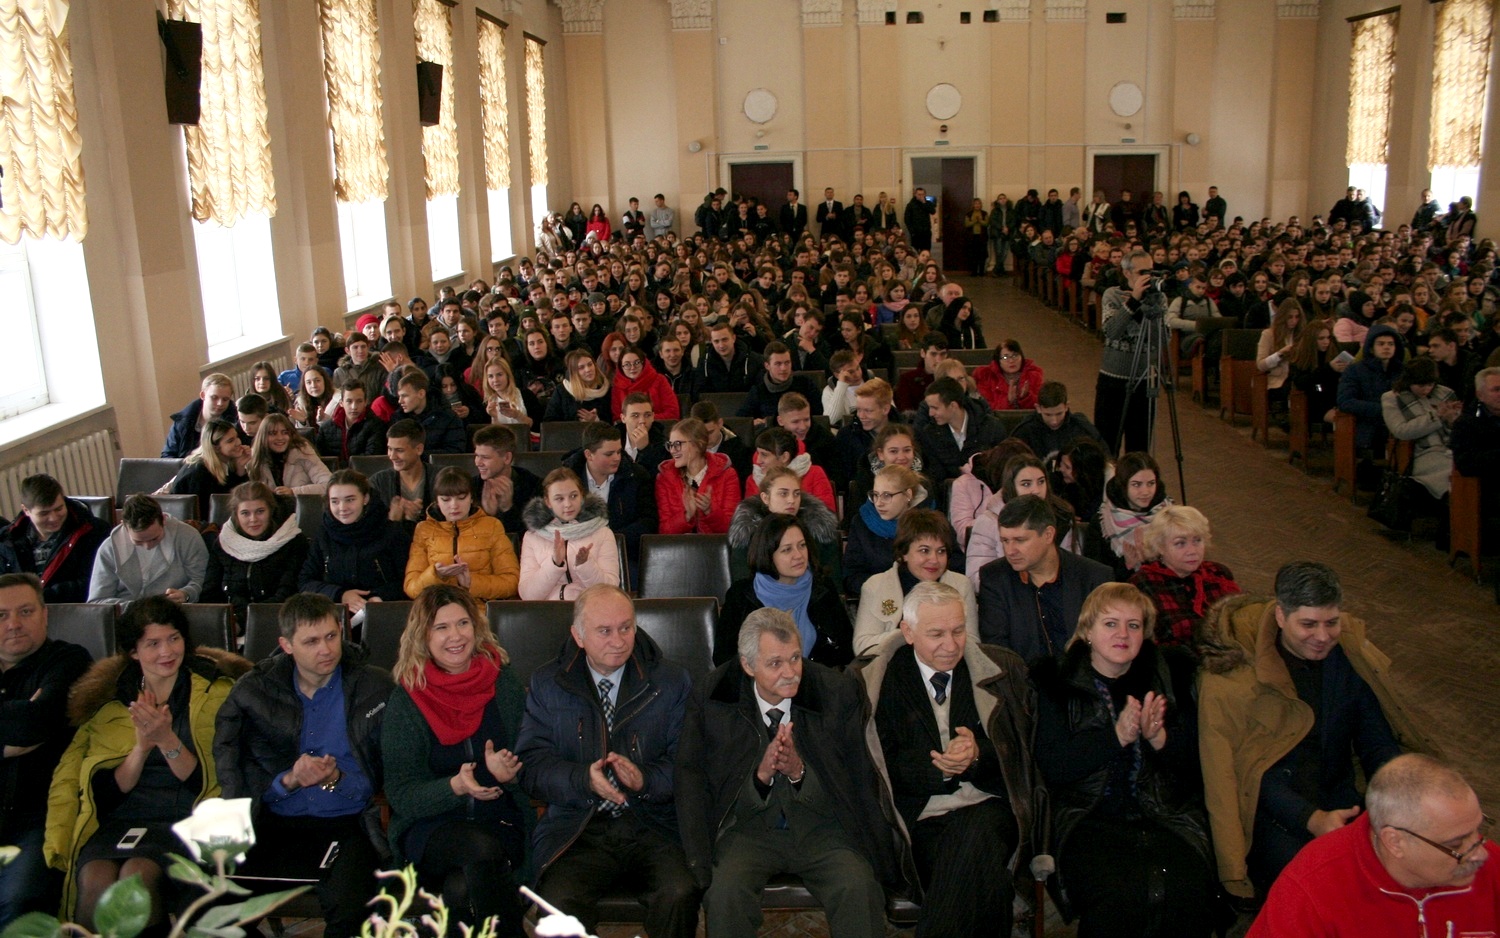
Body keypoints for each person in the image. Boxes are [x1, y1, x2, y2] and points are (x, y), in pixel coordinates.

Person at [1196, 562, 1413, 900]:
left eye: (1332, 622)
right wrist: (1310, 818)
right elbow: (1242, 773)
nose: (1323, 637)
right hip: (1271, 812)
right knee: (1317, 892)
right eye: (1308, 624)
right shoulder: (1230, 679)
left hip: (1338, 796)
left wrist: (1397, 797)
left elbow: (1376, 738)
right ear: (1281, 616)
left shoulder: (1348, 659)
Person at [677, 608, 896, 938]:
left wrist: (799, 772)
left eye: (795, 658)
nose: (791, 672)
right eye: (775, 663)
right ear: (748, 665)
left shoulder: (836, 691)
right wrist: (760, 777)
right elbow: (693, 779)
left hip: (823, 828)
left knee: (858, 888)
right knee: (724, 894)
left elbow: (857, 779)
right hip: (746, 831)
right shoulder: (713, 695)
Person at [44, 596, 250, 928]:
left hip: (187, 816)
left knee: (135, 876)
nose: (166, 652)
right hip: (123, 818)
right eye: (152, 643)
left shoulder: (217, 695)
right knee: (96, 878)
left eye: (174, 638)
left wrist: (167, 739)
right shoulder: (107, 703)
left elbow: (211, 782)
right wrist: (140, 748)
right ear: (133, 652)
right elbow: (104, 793)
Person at [1030, 582, 1217, 938]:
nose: (1123, 634)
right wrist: (1115, 737)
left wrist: (1159, 738)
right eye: (1110, 623)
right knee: (1120, 897)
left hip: (1165, 812)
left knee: (1187, 891)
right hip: (1088, 816)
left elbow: (1200, 765)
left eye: (1134, 625)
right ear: (1087, 631)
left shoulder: (1170, 674)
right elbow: (1054, 767)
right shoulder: (1055, 681)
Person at [515, 585, 700, 938]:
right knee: (559, 903)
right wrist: (581, 778)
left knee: (679, 892)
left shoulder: (671, 682)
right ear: (578, 636)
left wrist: (645, 780)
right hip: (578, 827)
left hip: (653, 823)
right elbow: (532, 766)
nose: (619, 640)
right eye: (604, 631)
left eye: (626, 627)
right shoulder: (548, 683)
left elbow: (688, 764)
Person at [858, 580, 1040, 938]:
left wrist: (977, 755)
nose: (951, 644)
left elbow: (1022, 750)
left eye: (959, 630)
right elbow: (882, 765)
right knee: (982, 874)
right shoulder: (880, 681)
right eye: (937, 633)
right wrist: (938, 769)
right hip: (925, 814)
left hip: (990, 803)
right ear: (907, 632)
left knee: (978, 832)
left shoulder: (997, 671)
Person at [212, 593, 393, 938]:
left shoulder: (374, 686)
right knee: (211, 910)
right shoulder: (255, 691)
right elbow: (233, 765)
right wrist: (288, 780)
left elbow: (388, 771)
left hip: (349, 823)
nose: (325, 649)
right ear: (286, 644)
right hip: (275, 822)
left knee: (351, 910)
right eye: (311, 641)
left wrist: (336, 778)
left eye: (331, 636)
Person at [382, 584, 533, 937]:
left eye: (463, 624)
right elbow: (401, 794)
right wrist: (454, 787)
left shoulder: (504, 684)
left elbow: (532, 760)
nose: (456, 636)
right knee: (478, 851)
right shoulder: (407, 698)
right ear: (423, 636)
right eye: (441, 627)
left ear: (477, 628)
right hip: (431, 829)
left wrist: (509, 773)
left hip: (499, 821)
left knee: (461, 890)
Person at [1247, 754, 1498, 938]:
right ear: (1395, 842)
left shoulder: (1493, 869)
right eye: (1456, 844)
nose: (1481, 853)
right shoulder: (1310, 890)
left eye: (1478, 830)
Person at [0, 573, 92, 926]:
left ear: (45, 614)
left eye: (25, 611)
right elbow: (24, 724)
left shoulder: (68, 661)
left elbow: (32, 725)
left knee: (20, 906)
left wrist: (27, 720)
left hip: (39, 815)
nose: (14, 624)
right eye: (2, 615)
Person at [977, 495, 1112, 663]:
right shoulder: (995, 578)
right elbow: (997, 651)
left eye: (1020, 540)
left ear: (1048, 535)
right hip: (1022, 683)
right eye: (1005, 540)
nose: (1010, 551)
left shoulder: (1094, 577)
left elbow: (1106, 645)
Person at [718, 513, 852, 668]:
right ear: (768, 554)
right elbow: (724, 659)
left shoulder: (822, 588)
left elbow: (846, 650)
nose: (798, 555)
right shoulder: (740, 595)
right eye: (787, 550)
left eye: (802, 545)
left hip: (816, 685)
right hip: (759, 688)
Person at [853, 509, 978, 656]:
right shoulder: (876, 586)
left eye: (941, 551)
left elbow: (973, 644)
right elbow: (862, 647)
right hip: (892, 670)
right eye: (925, 551)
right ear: (904, 553)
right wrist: (909, 635)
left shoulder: (961, 585)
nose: (934, 560)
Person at [298, 470, 411, 622]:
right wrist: (340, 594)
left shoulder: (392, 533)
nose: (342, 508)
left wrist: (379, 597)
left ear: (365, 498)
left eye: (350, 500)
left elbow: (409, 580)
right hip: (333, 617)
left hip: (383, 616)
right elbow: (306, 582)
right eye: (335, 501)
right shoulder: (323, 534)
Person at [1129, 505, 1240, 648]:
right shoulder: (1143, 583)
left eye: (1197, 541)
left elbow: (1240, 622)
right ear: (1160, 547)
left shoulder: (1217, 573)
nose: (1192, 551)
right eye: (1180, 543)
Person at [202, 482, 308, 628]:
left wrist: (241, 620)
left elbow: (287, 594)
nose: (253, 519)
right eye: (245, 513)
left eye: (260, 511)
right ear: (236, 514)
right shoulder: (223, 543)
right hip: (230, 624)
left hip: (276, 622)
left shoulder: (294, 542)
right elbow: (210, 593)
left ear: (271, 510)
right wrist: (225, 623)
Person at [405, 467, 519, 601]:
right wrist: (435, 575)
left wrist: (472, 582)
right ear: (437, 501)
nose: (454, 506)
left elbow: (512, 582)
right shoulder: (424, 530)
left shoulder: (491, 526)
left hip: (478, 610)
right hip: (437, 610)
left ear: (471, 498)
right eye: (446, 500)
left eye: (461, 498)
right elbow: (411, 588)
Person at [1096, 249, 1169, 455]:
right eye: (1142, 272)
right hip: (1113, 379)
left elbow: (1162, 339)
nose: (1149, 277)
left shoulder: (1158, 297)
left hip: (1144, 380)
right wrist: (1134, 300)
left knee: (1139, 447)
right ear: (1127, 273)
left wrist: (1152, 306)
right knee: (1107, 444)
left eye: (1152, 271)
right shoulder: (1113, 294)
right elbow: (1111, 331)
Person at [0, 474, 108, 604]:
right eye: (44, 513)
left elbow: (93, 583)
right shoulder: (7, 540)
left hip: (71, 611)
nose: (54, 518)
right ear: (26, 510)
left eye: (59, 509)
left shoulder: (92, 531)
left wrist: (38, 597)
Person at [518, 468, 620, 600]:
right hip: (548, 613)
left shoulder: (603, 533)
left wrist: (585, 564)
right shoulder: (532, 537)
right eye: (559, 499)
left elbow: (610, 590)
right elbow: (528, 595)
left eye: (573, 496)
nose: (568, 504)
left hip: (591, 611)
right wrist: (555, 564)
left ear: (582, 496)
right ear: (548, 502)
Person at [88, 495, 209, 604]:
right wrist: (137, 608)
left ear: (164, 520)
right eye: (138, 541)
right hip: (127, 615)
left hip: (174, 611)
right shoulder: (110, 548)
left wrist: (186, 594)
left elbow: (202, 580)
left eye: (154, 539)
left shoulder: (187, 536)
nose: (147, 546)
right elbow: (97, 601)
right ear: (124, 526)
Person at [1382, 356, 1461, 502]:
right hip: (1421, 452)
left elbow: (1461, 429)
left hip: (1451, 447)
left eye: (1430, 385)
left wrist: (1452, 421)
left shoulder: (1445, 393)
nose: (1426, 389)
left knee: (1468, 469)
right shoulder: (1392, 398)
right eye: (1421, 385)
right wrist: (1436, 416)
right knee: (1451, 473)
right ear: (1409, 381)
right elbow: (1400, 431)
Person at [844, 464, 928, 595]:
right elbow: (851, 575)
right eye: (875, 495)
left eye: (887, 495)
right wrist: (882, 586)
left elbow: (952, 565)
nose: (878, 503)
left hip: (925, 598)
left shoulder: (929, 523)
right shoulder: (862, 522)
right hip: (878, 599)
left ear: (908, 494)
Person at [1337, 324, 1407, 477]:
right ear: (1371, 347)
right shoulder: (1355, 370)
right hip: (1368, 423)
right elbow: (1345, 401)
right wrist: (1382, 409)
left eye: (1390, 344)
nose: (1386, 348)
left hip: (1399, 423)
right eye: (1381, 344)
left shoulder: (1403, 371)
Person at [920, 377, 1010, 486]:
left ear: (953, 405)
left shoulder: (991, 427)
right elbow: (935, 477)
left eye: (935, 408)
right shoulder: (930, 434)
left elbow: (1003, 468)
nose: (930, 413)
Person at [656, 417, 740, 535]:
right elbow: (664, 531)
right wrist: (687, 515)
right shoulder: (665, 478)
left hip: (715, 549)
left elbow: (733, 530)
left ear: (698, 444)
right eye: (670, 445)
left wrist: (710, 511)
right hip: (679, 550)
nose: (672, 450)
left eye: (678, 444)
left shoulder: (727, 475)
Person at [1099, 451, 1171, 574]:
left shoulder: (1169, 514)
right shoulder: (1103, 522)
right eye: (1136, 484)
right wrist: (1127, 565)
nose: (1145, 492)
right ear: (1123, 485)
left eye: (1151, 483)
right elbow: (1098, 576)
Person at [166, 418, 250, 520]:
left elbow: (239, 498)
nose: (238, 442)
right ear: (215, 448)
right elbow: (209, 512)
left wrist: (240, 470)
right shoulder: (199, 472)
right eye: (230, 441)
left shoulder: (225, 463)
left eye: (237, 437)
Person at [1009, 381, 1105, 467]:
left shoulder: (1082, 429)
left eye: (1059, 414)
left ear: (1067, 406)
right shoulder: (1024, 431)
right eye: (1048, 414)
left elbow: (1104, 459)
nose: (1054, 421)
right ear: (1038, 408)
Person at [471, 424, 544, 536]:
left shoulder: (534, 487)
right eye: (477, 456)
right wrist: (486, 515)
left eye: (485, 457)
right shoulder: (471, 487)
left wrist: (508, 510)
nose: (478, 462)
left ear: (507, 458)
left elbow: (531, 536)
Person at [744, 427, 836, 514]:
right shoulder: (753, 479)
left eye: (764, 455)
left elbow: (825, 514)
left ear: (784, 457)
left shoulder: (815, 473)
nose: (758, 460)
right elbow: (750, 517)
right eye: (758, 453)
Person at [370, 420, 434, 538]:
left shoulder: (440, 478)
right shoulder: (379, 482)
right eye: (390, 449)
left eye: (399, 450)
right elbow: (371, 528)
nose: (392, 456)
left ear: (419, 449)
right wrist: (393, 518)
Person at [247, 413, 332, 497]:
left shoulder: (302, 451)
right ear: (263, 437)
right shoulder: (255, 458)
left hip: (301, 508)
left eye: (285, 433)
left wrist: (293, 492)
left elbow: (329, 485)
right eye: (273, 433)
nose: (280, 438)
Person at [162, 374, 238, 458]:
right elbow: (167, 456)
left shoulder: (236, 421)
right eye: (214, 397)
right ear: (203, 395)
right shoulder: (183, 422)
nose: (220, 403)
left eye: (225, 399)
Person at [395, 370, 468, 455]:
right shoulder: (398, 418)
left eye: (405, 396)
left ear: (421, 394)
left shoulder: (448, 417)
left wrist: (416, 455)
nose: (400, 401)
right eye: (399, 396)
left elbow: (455, 452)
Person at [316, 381, 388, 462]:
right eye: (349, 401)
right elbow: (319, 458)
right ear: (341, 403)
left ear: (365, 402)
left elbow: (371, 459)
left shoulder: (376, 425)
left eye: (359, 401)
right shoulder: (326, 428)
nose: (354, 407)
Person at [973, 339, 1044, 412]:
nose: (1011, 361)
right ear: (998, 361)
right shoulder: (987, 377)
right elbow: (986, 408)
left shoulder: (1033, 375)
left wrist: (1026, 398)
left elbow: (1042, 405)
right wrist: (1008, 401)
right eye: (1005, 357)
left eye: (1015, 355)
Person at [546, 348, 614, 424]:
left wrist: (596, 421)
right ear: (574, 372)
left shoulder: (606, 389)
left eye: (590, 364)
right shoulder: (562, 391)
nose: (588, 369)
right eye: (581, 367)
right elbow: (549, 422)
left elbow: (612, 421)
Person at [895, 333, 949, 412]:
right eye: (933, 354)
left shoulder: (953, 378)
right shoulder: (907, 380)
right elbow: (905, 413)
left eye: (943, 354)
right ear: (923, 353)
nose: (938, 360)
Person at [905, 188, 936, 252]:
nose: (921, 196)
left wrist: (924, 203)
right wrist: (912, 231)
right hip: (916, 233)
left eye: (922, 194)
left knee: (926, 250)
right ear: (915, 194)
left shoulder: (928, 203)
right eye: (919, 194)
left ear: (925, 195)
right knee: (915, 251)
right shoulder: (910, 205)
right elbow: (907, 219)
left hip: (926, 232)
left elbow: (933, 211)